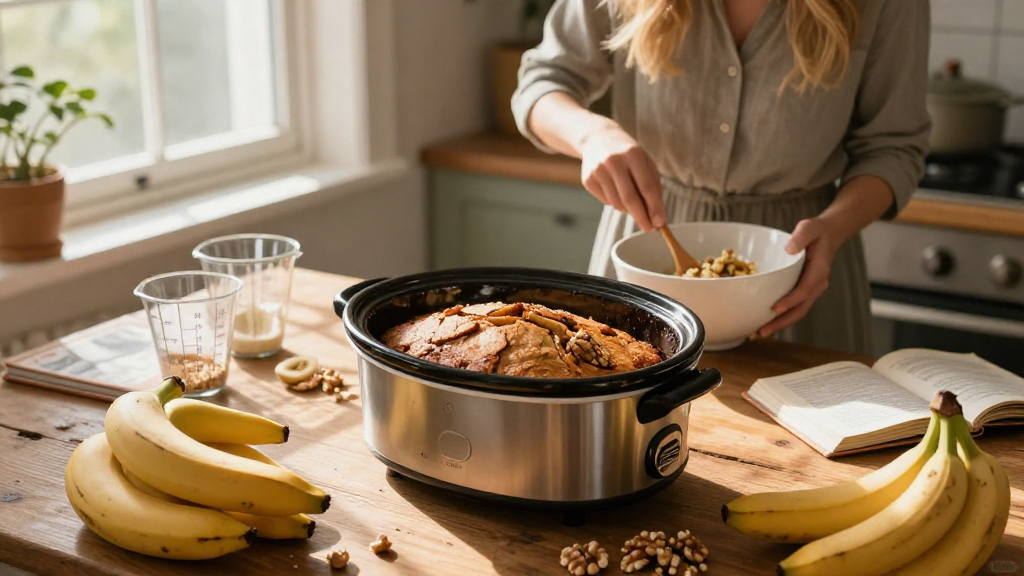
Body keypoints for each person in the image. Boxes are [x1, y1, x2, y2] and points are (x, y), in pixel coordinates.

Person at [512, 0, 930, 355]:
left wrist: (834, 228)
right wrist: (592, 135)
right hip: (647, 250)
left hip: (798, 269)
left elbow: (893, 149)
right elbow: (541, 84)